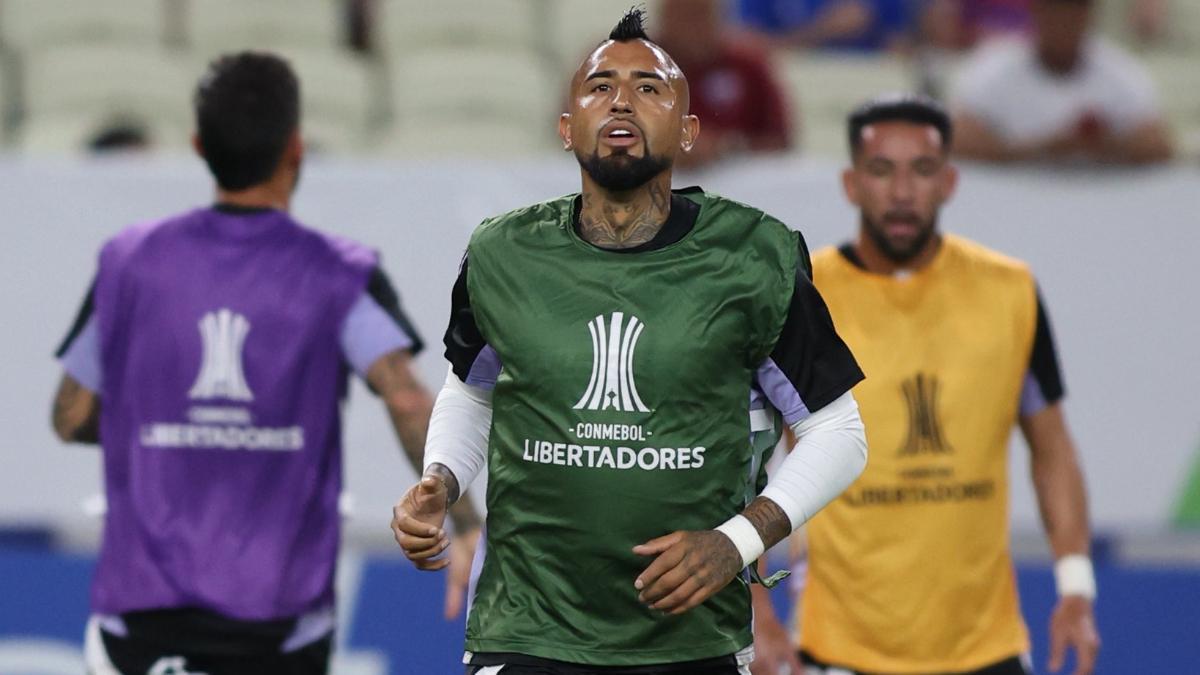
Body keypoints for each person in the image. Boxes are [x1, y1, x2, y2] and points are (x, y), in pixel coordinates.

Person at [390, 9, 869, 675]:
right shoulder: (502, 252)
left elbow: (840, 431)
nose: (622, 99)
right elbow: (470, 392)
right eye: (600, 86)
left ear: (689, 130)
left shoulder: (755, 257)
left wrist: (736, 541)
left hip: (691, 639)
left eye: (650, 87)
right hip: (527, 630)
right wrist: (440, 480)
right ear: (566, 128)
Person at [51, 51, 479, 674]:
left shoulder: (129, 262)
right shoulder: (339, 272)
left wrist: (160, 421)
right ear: (295, 149)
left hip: (140, 624)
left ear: (199, 146)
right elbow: (408, 398)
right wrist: (461, 517)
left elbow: (72, 415)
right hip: (280, 626)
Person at [751, 94, 1101, 675]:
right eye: (882, 170)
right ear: (851, 184)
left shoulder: (1009, 292)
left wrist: (1076, 585)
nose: (903, 191)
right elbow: (744, 460)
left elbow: (1053, 446)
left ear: (950, 182)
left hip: (987, 647)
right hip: (839, 647)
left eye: (922, 170)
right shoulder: (803, 296)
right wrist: (757, 611)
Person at [950, 0, 1173, 165]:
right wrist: (1042, 149)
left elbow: (1159, 147)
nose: (1064, 22)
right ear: (1037, 12)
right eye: (1055, 10)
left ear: (1088, 15)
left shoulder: (1121, 73)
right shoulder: (993, 69)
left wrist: (1103, 146)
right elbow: (958, 141)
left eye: (1073, 11)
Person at [654, 0, 793, 168]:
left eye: (700, 15)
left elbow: (780, 140)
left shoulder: (748, 65)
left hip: (741, 179)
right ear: (664, 19)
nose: (691, 27)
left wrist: (726, 147)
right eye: (682, 16)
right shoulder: (634, 69)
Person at [736, 0, 913, 52]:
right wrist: (822, 30)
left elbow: (902, 47)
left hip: (866, 83)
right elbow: (748, 46)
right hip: (794, 85)